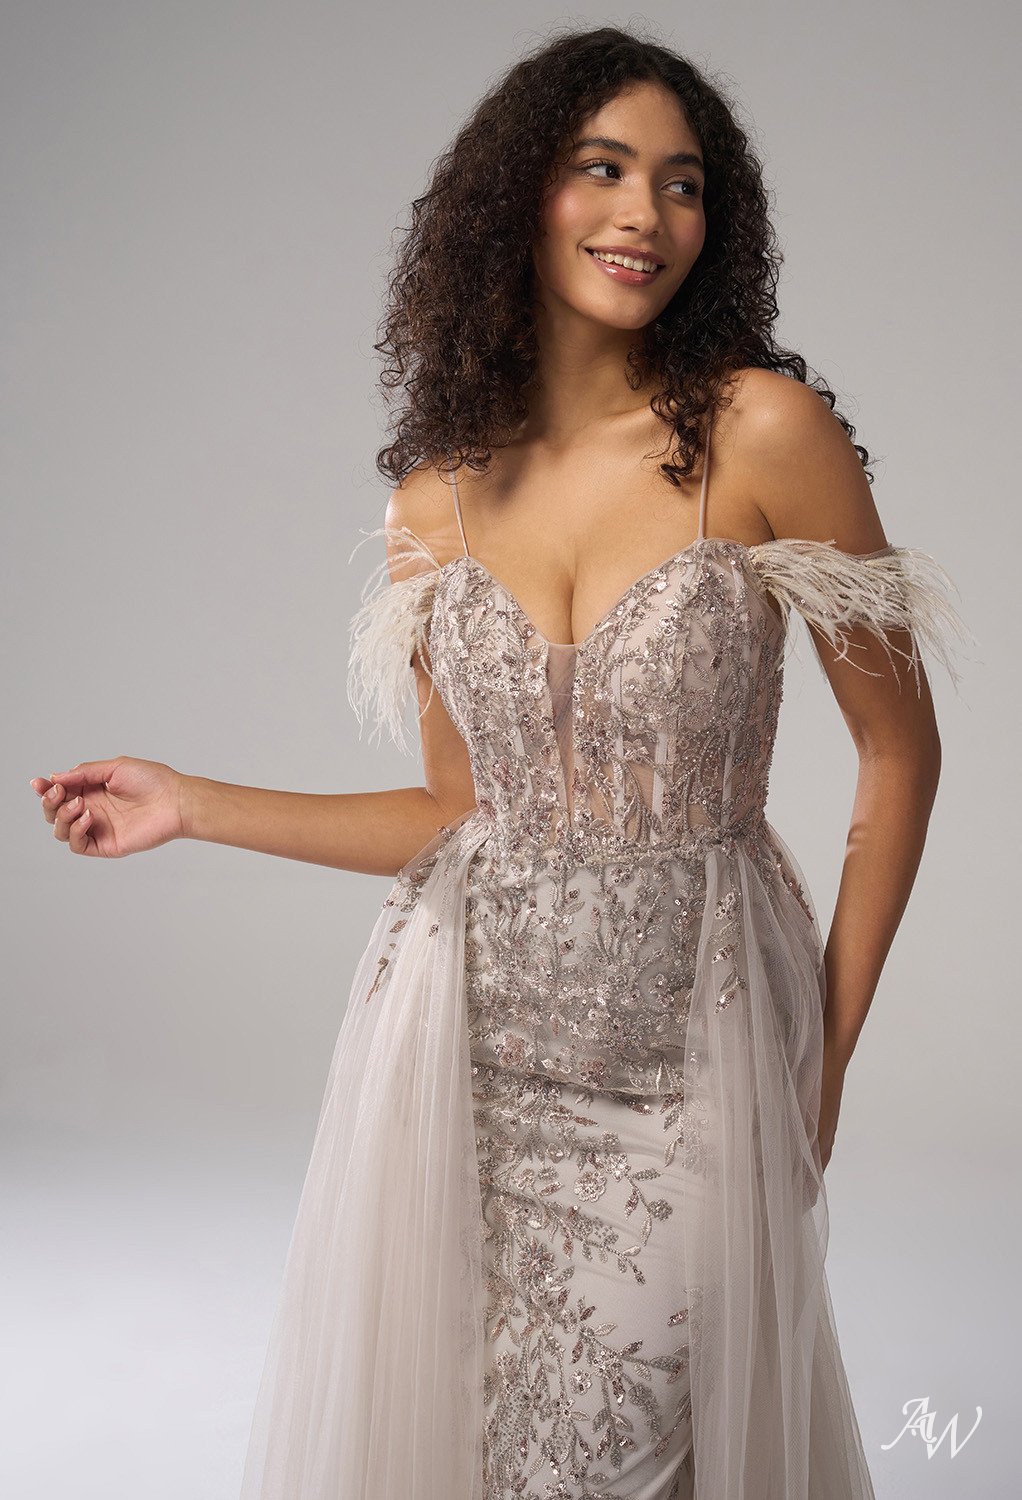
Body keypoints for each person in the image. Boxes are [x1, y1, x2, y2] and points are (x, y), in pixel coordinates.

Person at [31, 24, 971, 1500]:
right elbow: (456, 813)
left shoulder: (762, 434)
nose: (643, 214)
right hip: (468, 1067)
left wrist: (824, 1060)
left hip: (700, 1058)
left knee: (619, 1457)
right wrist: (191, 805)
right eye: (603, 169)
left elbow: (898, 758)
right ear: (518, 193)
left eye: (681, 184)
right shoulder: (436, 499)